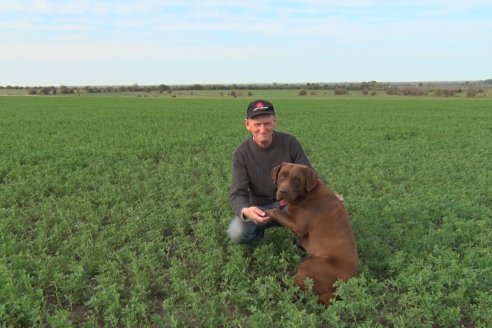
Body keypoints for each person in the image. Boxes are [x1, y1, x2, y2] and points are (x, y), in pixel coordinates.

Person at [227, 99, 313, 244]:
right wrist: (246, 211)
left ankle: (300, 240)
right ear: (247, 125)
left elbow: (309, 175)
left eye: (267, 123)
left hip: (291, 205)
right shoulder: (242, 153)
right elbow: (237, 193)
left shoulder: (290, 143)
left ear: (274, 122)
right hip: (261, 209)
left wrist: (328, 195)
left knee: (315, 225)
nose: (263, 129)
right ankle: (258, 236)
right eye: (257, 124)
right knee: (236, 232)